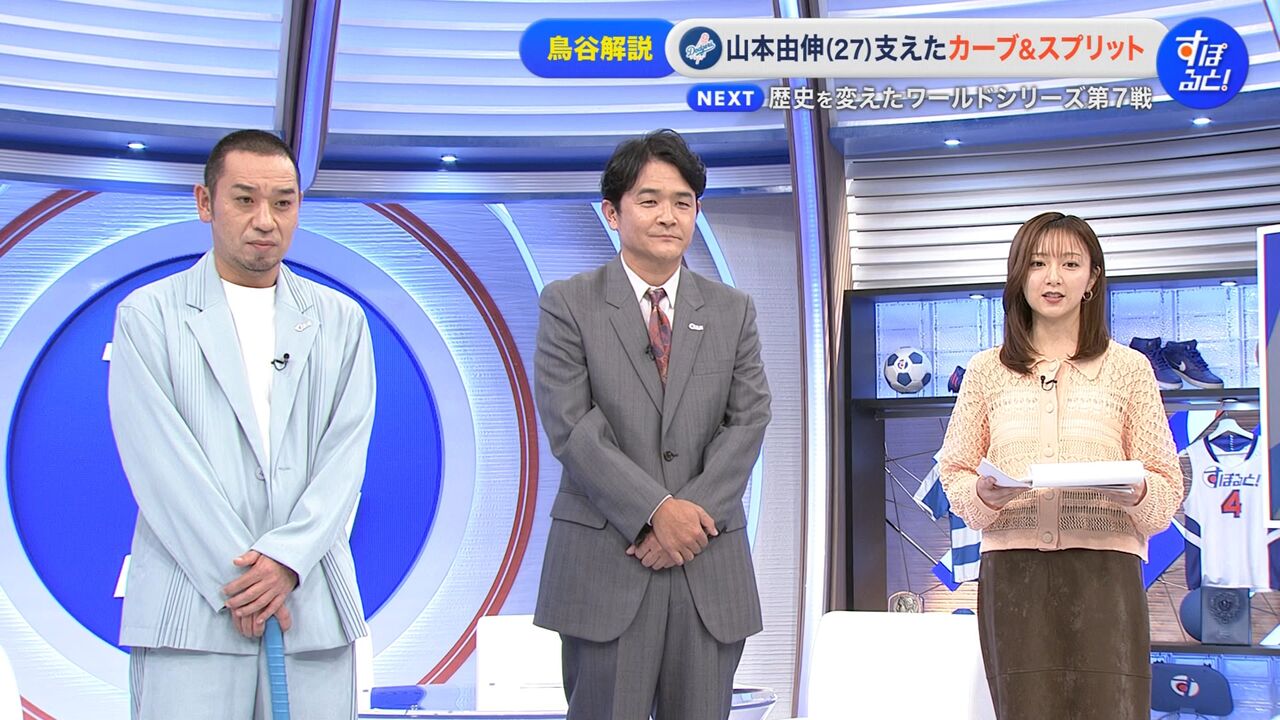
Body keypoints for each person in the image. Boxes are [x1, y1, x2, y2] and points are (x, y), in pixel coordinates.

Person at [108, 129, 376, 719]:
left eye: (283, 203)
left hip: (310, 608)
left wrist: (288, 562)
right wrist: (248, 582)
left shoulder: (342, 320)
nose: (265, 221)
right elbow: (159, 465)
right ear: (206, 202)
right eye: (245, 200)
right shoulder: (148, 316)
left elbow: (345, 456)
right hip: (190, 611)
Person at [533, 129, 771, 720]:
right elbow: (572, 426)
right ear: (612, 212)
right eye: (650, 200)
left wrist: (689, 520)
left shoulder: (732, 310)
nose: (669, 216)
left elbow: (748, 420)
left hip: (706, 564)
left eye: (683, 202)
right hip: (608, 562)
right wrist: (654, 512)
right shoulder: (568, 303)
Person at [938, 211, 1183, 719]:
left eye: (1070, 264)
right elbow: (955, 470)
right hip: (1013, 577)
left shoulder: (1129, 369)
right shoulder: (986, 371)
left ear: (1092, 278)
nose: (1053, 278)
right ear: (1018, 275)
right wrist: (982, 495)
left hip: (1106, 576)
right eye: (1038, 263)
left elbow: (1166, 485)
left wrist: (1138, 492)